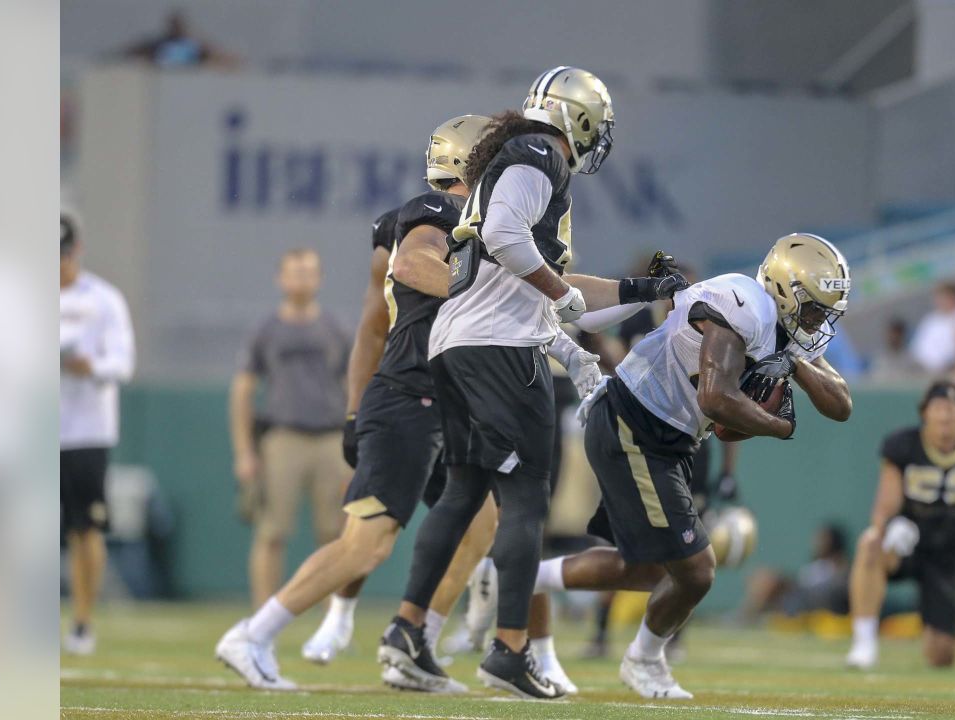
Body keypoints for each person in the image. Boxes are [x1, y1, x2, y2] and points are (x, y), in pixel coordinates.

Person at [379, 66, 692, 700]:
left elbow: (557, 293)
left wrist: (645, 291)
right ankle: (511, 649)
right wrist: (560, 291)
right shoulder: (537, 153)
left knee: (464, 492)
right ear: (577, 119)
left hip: (459, 343)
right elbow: (512, 248)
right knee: (524, 501)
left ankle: (406, 629)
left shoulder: (518, 162)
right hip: (499, 351)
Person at [217, 116, 509, 692]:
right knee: (365, 543)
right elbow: (398, 284)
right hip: (408, 398)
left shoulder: (481, 227)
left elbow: (377, 320)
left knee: (480, 524)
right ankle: (254, 633)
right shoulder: (438, 214)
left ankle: (412, 644)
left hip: (444, 407)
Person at [527, 233, 853, 698]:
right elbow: (716, 398)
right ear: (784, 290)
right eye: (815, 308)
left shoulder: (783, 326)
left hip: (667, 437)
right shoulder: (742, 305)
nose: (818, 321)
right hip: (635, 421)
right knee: (696, 569)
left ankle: (526, 576)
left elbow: (841, 405)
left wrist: (796, 361)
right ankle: (643, 660)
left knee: (650, 570)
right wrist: (777, 427)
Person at [845, 380, 955, 669]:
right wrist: (889, 526)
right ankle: (864, 643)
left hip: (952, 553)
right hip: (908, 540)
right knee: (870, 544)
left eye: (952, 409)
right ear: (924, 413)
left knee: (942, 655)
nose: (945, 416)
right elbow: (884, 505)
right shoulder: (903, 445)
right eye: (939, 408)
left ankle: (931, 626)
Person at [228, 248, 352, 610]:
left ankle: (334, 618)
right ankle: (263, 616)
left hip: (331, 438)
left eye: (309, 273)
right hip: (283, 438)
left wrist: (356, 442)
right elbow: (243, 390)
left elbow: (352, 384)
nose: (301, 280)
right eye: (294, 273)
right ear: (280, 279)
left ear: (320, 279)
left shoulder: (336, 328)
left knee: (335, 534)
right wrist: (244, 452)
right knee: (272, 532)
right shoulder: (266, 330)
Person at [60, 212, 136, 655]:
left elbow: (123, 363)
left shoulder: (104, 300)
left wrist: (92, 367)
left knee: (85, 527)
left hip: (87, 430)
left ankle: (83, 621)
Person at [739, 523, 850, 622]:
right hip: (798, 598)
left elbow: (833, 590)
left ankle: (744, 618)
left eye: (822, 539)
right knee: (762, 577)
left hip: (813, 605)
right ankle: (747, 617)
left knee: (769, 581)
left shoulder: (839, 565)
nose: (817, 543)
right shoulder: (818, 563)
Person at [867, 317, 919, 382]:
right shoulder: (880, 360)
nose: (894, 337)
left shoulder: (910, 361)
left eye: (897, 334)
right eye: (892, 334)